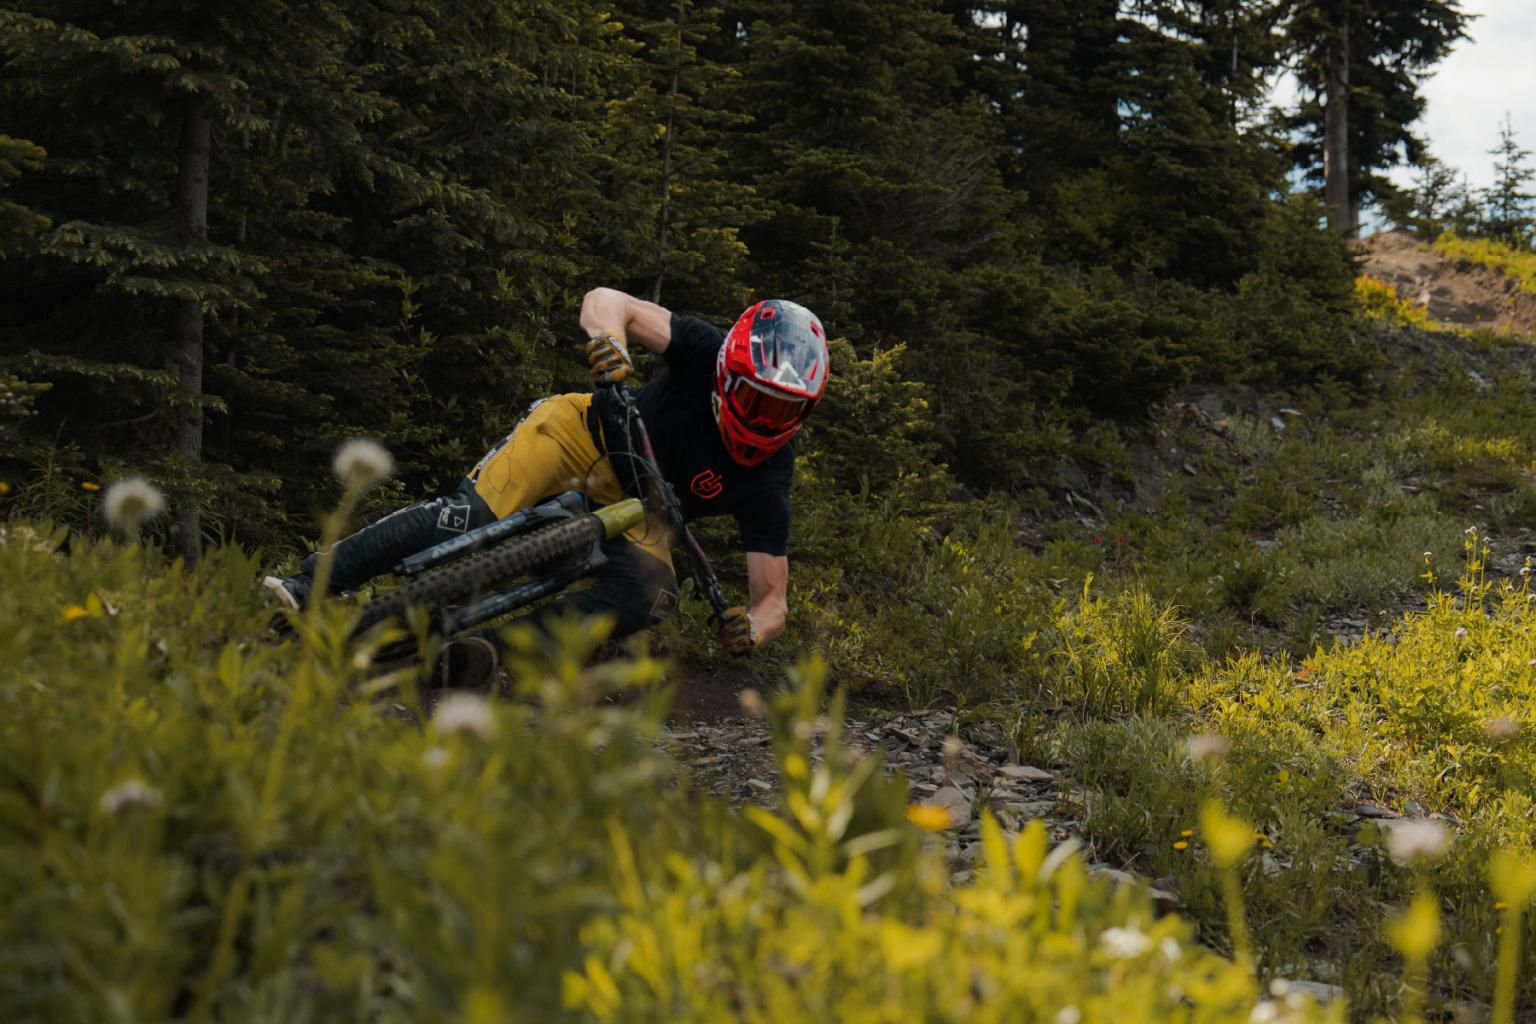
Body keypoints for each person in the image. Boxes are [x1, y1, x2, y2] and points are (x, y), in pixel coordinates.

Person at [263, 288, 829, 683]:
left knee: (652, 595)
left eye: (783, 411)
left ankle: (484, 654)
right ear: (729, 371)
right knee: (468, 516)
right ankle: (302, 586)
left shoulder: (771, 475)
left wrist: (751, 630)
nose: (762, 420)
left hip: (644, 509)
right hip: (581, 434)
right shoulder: (705, 348)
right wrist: (610, 343)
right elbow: (609, 302)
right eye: (755, 398)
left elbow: (772, 598)